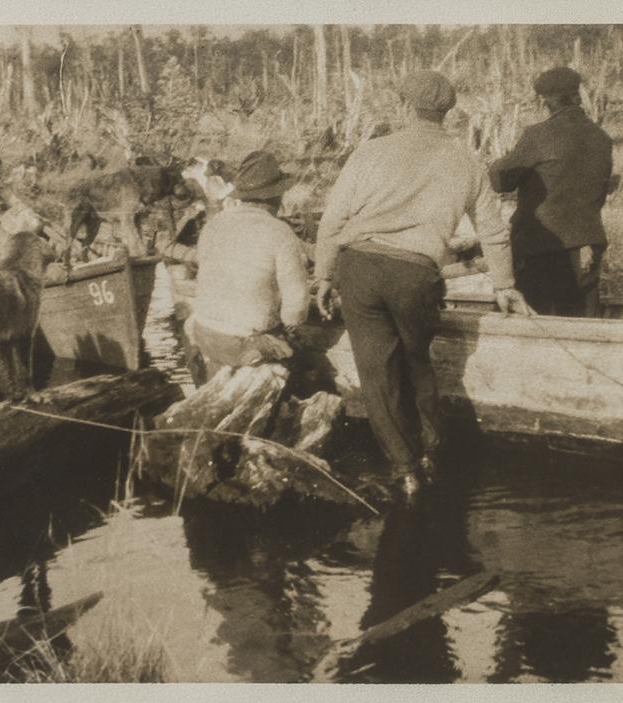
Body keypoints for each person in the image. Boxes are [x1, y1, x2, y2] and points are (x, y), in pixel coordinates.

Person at [315, 70, 532, 493]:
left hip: (359, 266)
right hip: (416, 273)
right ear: (447, 111)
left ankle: (405, 468)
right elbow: (492, 230)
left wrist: (324, 274)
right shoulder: (467, 160)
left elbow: (333, 220)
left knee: (376, 374)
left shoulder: (371, 151)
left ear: (405, 107)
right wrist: (504, 286)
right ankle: (433, 449)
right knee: (416, 360)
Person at [489, 66, 614, 317]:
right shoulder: (602, 138)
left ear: (545, 102)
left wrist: (499, 161)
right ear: (577, 96)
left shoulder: (539, 135)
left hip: (541, 250)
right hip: (588, 247)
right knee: (584, 328)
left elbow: (500, 181)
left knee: (536, 328)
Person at [185, 150, 311, 385]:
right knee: (298, 358)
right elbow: (296, 308)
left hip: (204, 332)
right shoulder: (280, 232)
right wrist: (288, 322)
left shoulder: (213, 225)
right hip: (242, 343)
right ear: (276, 197)